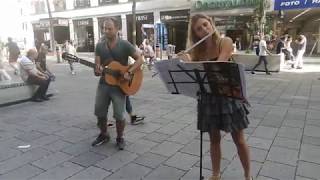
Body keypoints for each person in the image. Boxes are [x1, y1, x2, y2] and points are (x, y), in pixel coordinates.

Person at [178, 14, 252, 180]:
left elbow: (218, 66)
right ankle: (215, 175)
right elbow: (195, 80)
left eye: (205, 25)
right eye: (199, 29)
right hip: (209, 99)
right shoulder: (198, 52)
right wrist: (185, 62)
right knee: (214, 140)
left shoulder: (224, 42)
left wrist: (190, 62)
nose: (204, 30)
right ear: (195, 34)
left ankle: (248, 176)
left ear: (211, 24)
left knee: (239, 139)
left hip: (228, 96)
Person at [92, 17, 143, 150]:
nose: (106, 31)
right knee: (100, 112)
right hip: (103, 84)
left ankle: (120, 137)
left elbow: (140, 59)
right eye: (104, 28)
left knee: (119, 115)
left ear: (117, 29)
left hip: (120, 86)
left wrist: (130, 72)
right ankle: (104, 134)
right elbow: (97, 66)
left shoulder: (125, 45)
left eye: (109, 28)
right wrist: (97, 70)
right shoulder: (99, 46)